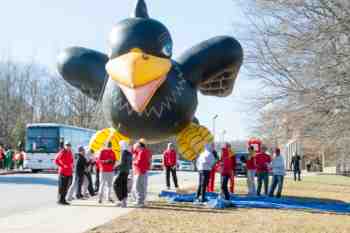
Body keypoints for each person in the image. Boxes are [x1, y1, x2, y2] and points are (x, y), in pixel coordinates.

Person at [132, 139, 152, 207]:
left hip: (140, 171)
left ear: (140, 146)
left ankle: (140, 202)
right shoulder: (146, 151)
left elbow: (139, 162)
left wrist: (133, 162)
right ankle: (141, 201)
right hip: (143, 171)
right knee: (142, 187)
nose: (136, 148)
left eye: (137, 147)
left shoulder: (142, 152)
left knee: (138, 187)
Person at [114, 140, 133, 207]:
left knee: (116, 185)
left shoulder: (123, 152)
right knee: (123, 186)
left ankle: (120, 200)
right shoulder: (129, 153)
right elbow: (130, 164)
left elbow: (121, 163)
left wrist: (115, 167)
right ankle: (124, 202)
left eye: (120, 145)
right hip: (127, 171)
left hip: (122, 171)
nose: (120, 147)